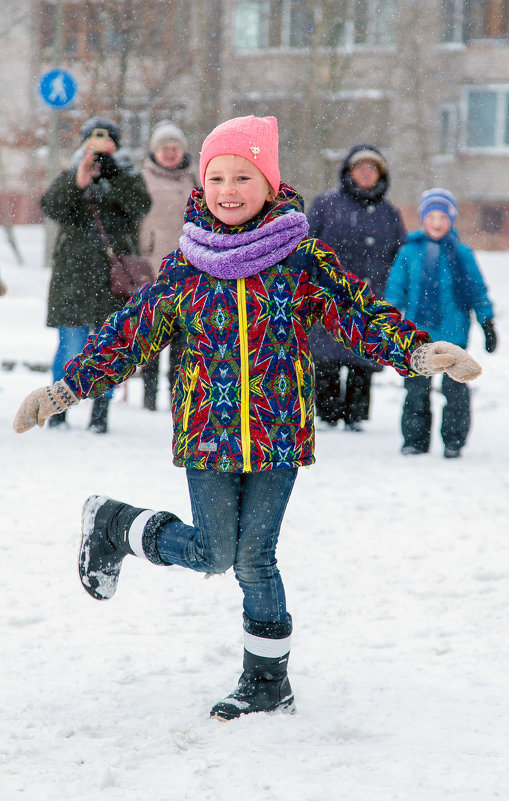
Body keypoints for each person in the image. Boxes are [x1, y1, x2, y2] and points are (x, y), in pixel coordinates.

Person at [14, 117, 482, 722]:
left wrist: (417, 352)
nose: (228, 189)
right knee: (213, 554)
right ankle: (115, 526)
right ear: (201, 184)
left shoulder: (299, 258)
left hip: (279, 435)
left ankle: (267, 683)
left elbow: (357, 313)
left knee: (256, 557)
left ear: (269, 183)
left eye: (243, 176)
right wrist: (63, 391)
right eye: (216, 177)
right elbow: (126, 339)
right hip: (208, 436)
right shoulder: (187, 265)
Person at [41, 116, 152, 433]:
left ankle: (100, 415)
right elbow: (52, 207)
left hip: (112, 281)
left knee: (106, 349)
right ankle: (58, 410)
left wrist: (115, 176)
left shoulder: (128, 175)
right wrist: (78, 180)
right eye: (95, 138)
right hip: (73, 278)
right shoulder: (73, 172)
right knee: (70, 348)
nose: (101, 145)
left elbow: (140, 207)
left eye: (107, 138)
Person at [385, 188, 496, 458]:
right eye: (432, 216)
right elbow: (395, 291)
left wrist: (487, 322)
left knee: (456, 392)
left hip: (453, 337)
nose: (437, 222)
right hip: (418, 337)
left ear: (451, 220)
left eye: (443, 217)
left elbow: (477, 291)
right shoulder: (409, 253)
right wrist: (387, 321)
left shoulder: (462, 253)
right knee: (416, 391)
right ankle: (415, 440)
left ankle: (454, 441)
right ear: (424, 219)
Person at [307, 144, 406, 430]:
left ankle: (355, 415)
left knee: (364, 352)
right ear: (349, 173)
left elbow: (400, 257)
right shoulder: (326, 205)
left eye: (371, 168)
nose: (365, 173)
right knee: (326, 355)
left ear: (380, 175)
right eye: (360, 168)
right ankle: (326, 413)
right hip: (331, 293)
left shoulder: (389, 213)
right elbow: (308, 244)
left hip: (370, 294)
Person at [138, 120, 198, 410]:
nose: (170, 153)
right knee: (152, 333)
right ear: (155, 152)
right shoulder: (142, 179)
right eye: (165, 149)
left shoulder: (194, 179)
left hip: (189, 270)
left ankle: (177, 395)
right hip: (153, 267)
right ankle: (149, 397)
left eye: (175, 148)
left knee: (183, 339)